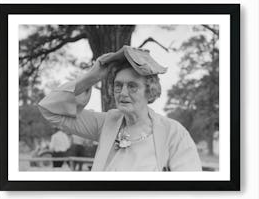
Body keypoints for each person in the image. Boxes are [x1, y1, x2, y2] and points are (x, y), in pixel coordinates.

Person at [38, 45, 202, 171]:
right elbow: (49, 110)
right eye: (118, 86)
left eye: (132, 86)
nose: (122, 93)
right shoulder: (106, 123)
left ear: (150, 91)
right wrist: (90, 77)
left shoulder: (174, 133)